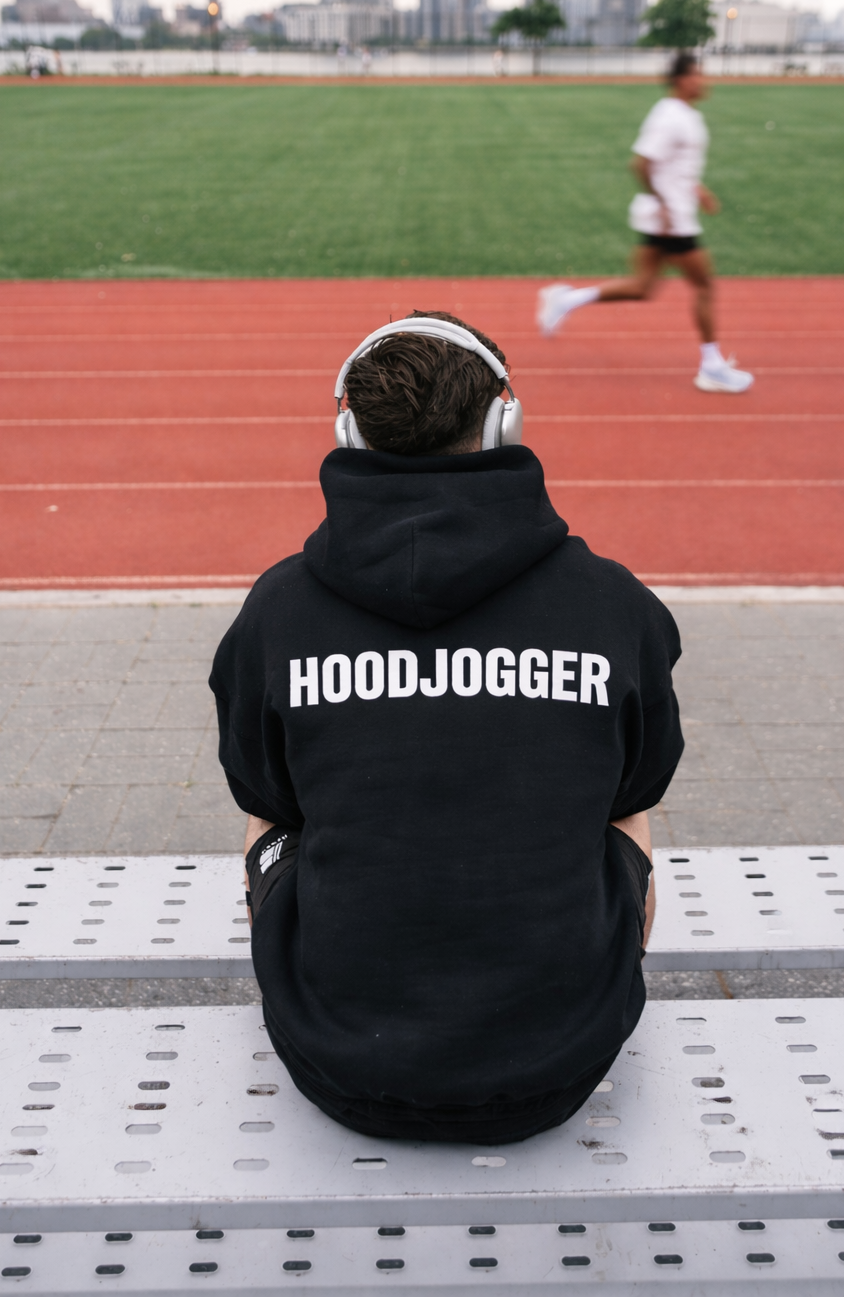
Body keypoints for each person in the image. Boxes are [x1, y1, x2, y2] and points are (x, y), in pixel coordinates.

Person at [210, 311, 684, 1144]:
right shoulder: (613, 602)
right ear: (504, 421)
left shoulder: (277, 609)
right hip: (561, 1065)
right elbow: (638, 786)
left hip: (339, 1066)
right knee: (625, 810)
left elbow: (264, 794)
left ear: (350, 432)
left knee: (272, 817)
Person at [537, 53, 753, 394]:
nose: (703, 81)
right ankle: (711, 367)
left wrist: (697, 190)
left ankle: (565, 300)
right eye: (697, 75)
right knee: (704, 286)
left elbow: (676, 166)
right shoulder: (669, 116)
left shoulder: (687, 115)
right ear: (681, 80)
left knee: (642, 287)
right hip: (671, 220)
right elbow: (640, 164)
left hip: (669, 216)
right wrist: (663, 203)